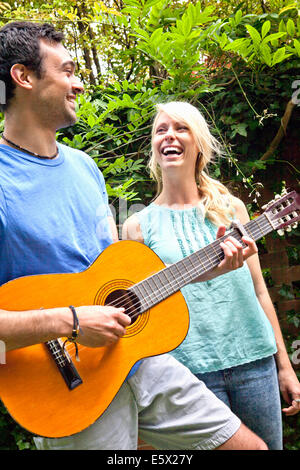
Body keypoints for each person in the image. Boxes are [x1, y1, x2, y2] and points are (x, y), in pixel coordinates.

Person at [0, 22, 267, 451]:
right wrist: (70, 321)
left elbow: (119, 283)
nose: (78, 83)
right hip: (67, 386)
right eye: (67, 70)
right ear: (24, 77)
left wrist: (206, 268)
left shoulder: (85, 168)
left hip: (135, 359)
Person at [123, 101, 300, 450]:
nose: (169, 136)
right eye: (161, 130)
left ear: (199, 145)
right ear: (154, 149)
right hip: (190, 371)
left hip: (254, 362)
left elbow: (260, 292)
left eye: (181, 128)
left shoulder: (231, 209)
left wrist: (285, 365)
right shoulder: (137, 227)